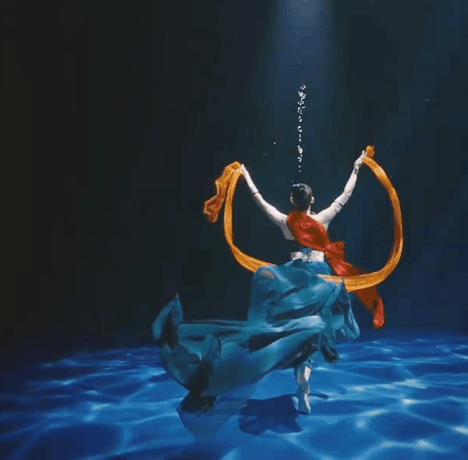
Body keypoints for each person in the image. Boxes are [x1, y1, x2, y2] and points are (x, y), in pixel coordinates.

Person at [152, 152, 374, 419]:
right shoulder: (322, 218)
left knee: (291, 333)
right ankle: (303, 387)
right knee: (310, 335)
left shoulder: (285, 222)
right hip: (318, 279)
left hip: (293, 279)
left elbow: (260, 201)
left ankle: (249, 377)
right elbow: (344, 197)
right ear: (312, 200)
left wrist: (246, 177)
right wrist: (356, 168)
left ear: (292, 201)